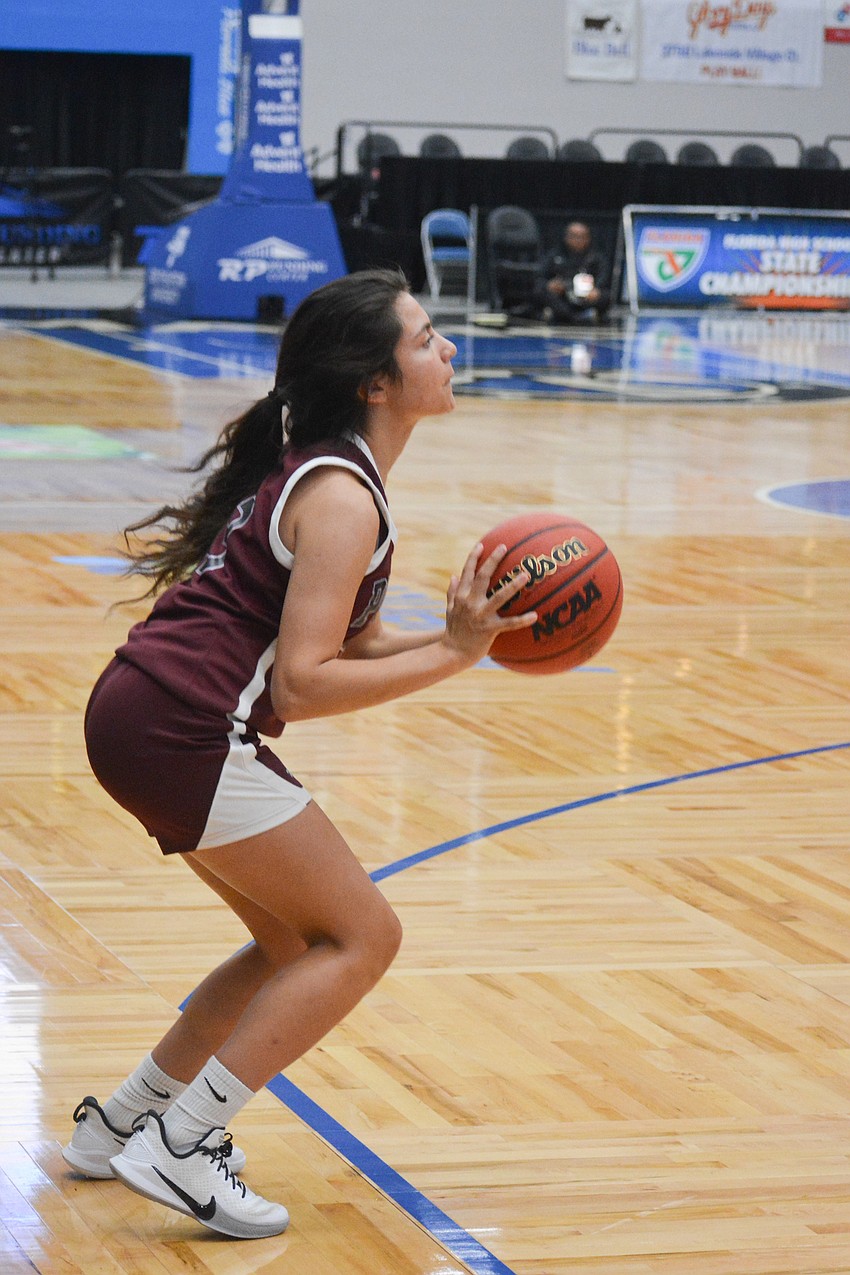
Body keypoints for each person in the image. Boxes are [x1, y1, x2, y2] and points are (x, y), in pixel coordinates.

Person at [61, 268, 536, 1240]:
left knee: (292, 942)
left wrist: (465, 639)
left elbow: (341, 644)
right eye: (423, 338)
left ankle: (123, 1124)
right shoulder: (341, 496)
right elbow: (303, 685)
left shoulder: (334, 472)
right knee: (365, 936)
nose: (445, 350)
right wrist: (448, 657)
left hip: (142, 713)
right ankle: (186, 1144)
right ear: (374, 381)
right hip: (182, 726)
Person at [536, 220, 610, 324]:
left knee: (606, 296)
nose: (578, 240)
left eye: (582, 237)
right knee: (541, 291)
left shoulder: (596, 258)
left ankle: (584, 314)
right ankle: (573, 317)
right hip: (563, 297)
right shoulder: (555, 255)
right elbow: (541, 277)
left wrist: (596, 290)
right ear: (566, 237)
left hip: (585, 297)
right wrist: (550, 285)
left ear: (588, 238)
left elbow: (603, 278)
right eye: (574, 236)